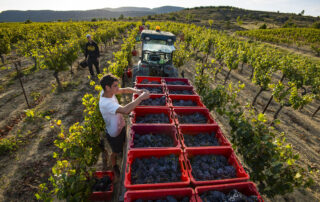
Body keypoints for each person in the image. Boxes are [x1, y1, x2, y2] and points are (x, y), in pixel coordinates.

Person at [99, 74, 150, 177]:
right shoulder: (105, 103)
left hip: (120, 126)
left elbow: (124, 90)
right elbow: (126, 110)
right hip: (114, 133)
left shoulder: (108, 92)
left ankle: (120, 152)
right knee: (115, 152)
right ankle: (114, 165)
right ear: (107, 87)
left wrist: (137, 91)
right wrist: (140, 98)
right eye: (115, 86)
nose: (118, 88)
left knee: (123, 144)